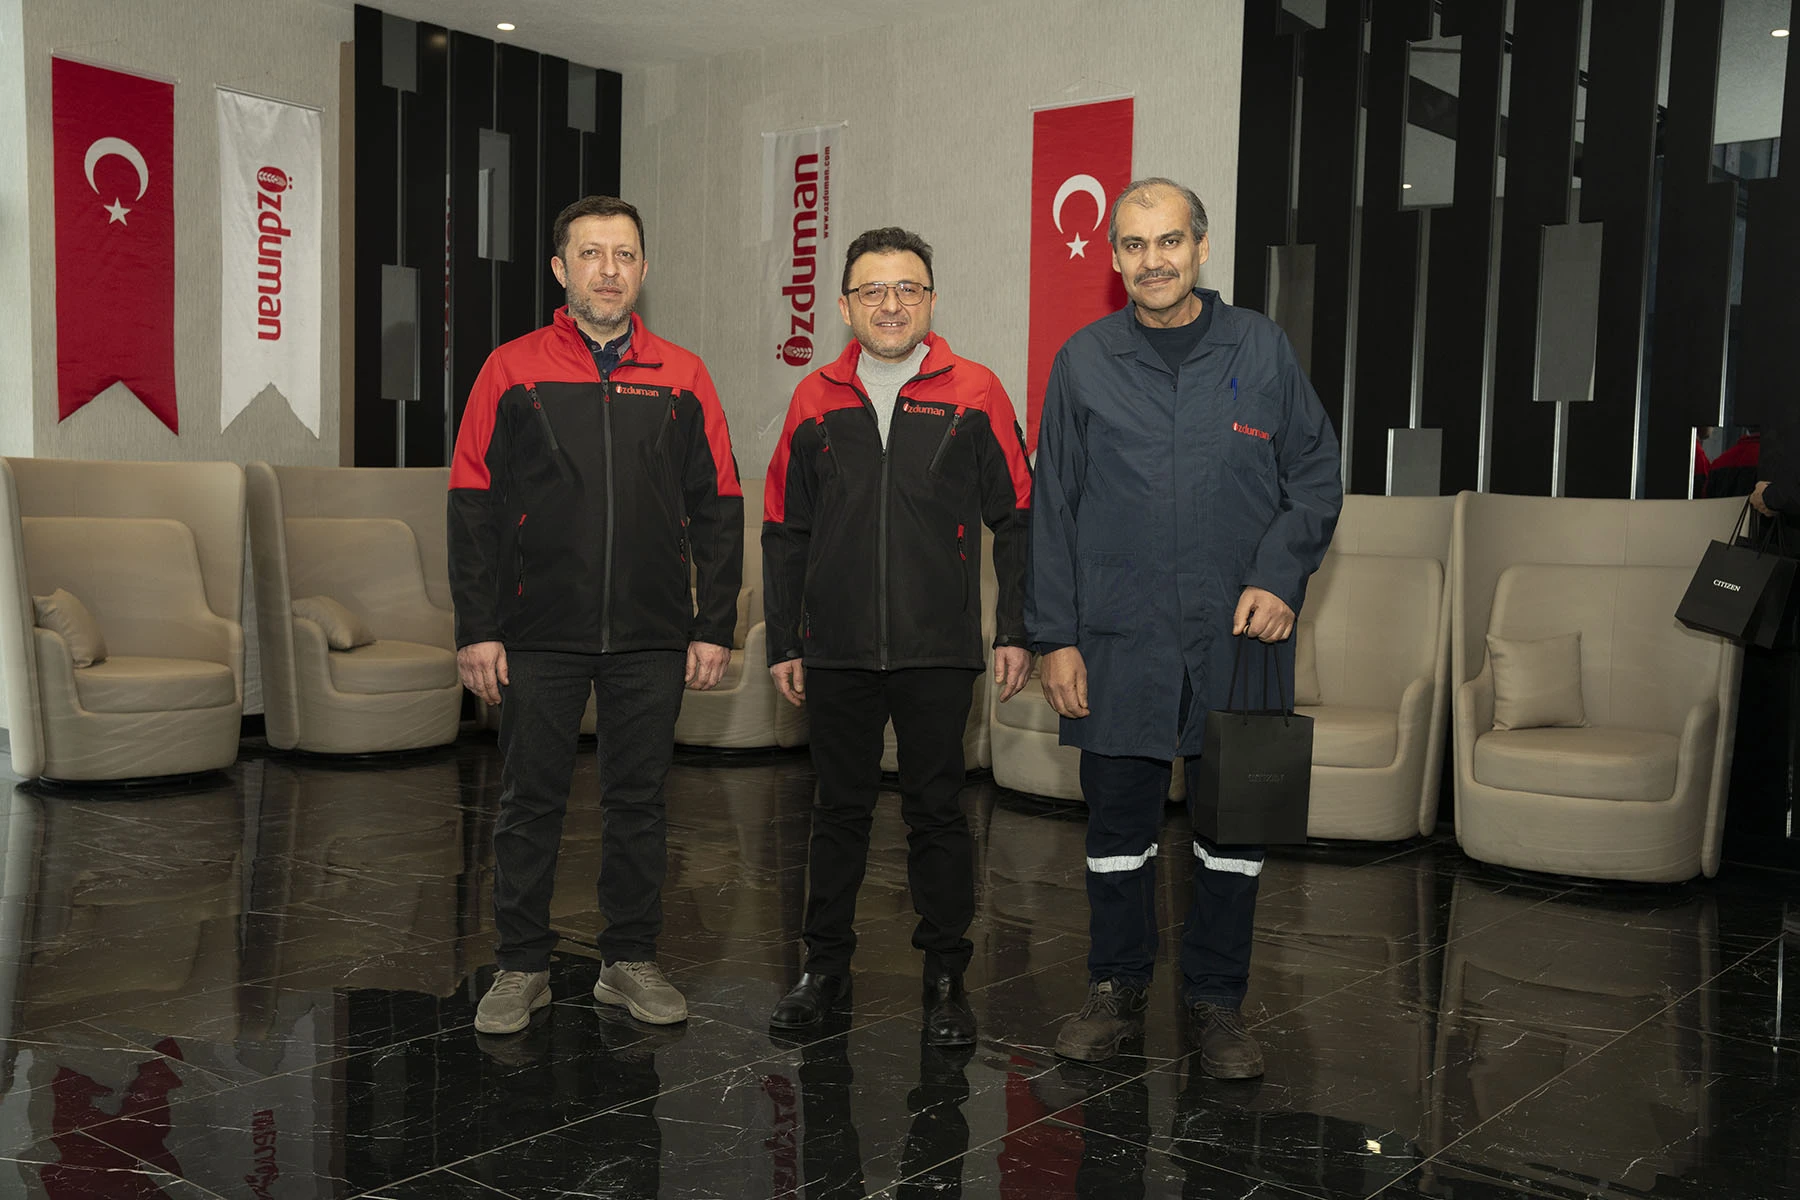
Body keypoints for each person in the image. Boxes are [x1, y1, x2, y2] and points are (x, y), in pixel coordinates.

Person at [1027, 178, 1342, 1075]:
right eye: (1133, 245)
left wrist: (1280, 577)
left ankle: (1217, 1005)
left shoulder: (1262, 349)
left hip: (1241, 639)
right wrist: (1055, 636)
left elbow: (1316, 476)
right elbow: (1053, 509)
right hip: (1115, 637)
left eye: (1169, 241)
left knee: (1235, 833)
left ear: (1201, 247)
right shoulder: (1083, 361)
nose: (1152, 260)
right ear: (1114, 258)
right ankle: (1116, 991)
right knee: (1116, 832)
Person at [448, 195, 744, 1035]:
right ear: (560, 269)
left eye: (624, 255)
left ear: (643, 269)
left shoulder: (685, 375)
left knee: (639, 803)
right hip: (537, 629)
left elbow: (719, 505)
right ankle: (521, 965)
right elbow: (472, 503)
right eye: (591, 254)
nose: (608, 270)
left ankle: (629, 960)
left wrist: (713, 624)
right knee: (529, 803)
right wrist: (477, 626)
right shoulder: (509, 370)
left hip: (652, 633)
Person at [761, 226, 1034, 1045]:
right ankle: (822, 970)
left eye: (908, 288)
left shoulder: (977, 391)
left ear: (931, 300)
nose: (891, 304)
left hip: (936, 648)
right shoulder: (813, 398)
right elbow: (784, 528)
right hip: (836, 648)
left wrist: (1017, 629)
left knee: (938, 815)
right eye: (873, 290)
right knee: (836, 812)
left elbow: (1019, 519)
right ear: (845, 307)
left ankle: (947, 978)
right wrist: (786, 641)